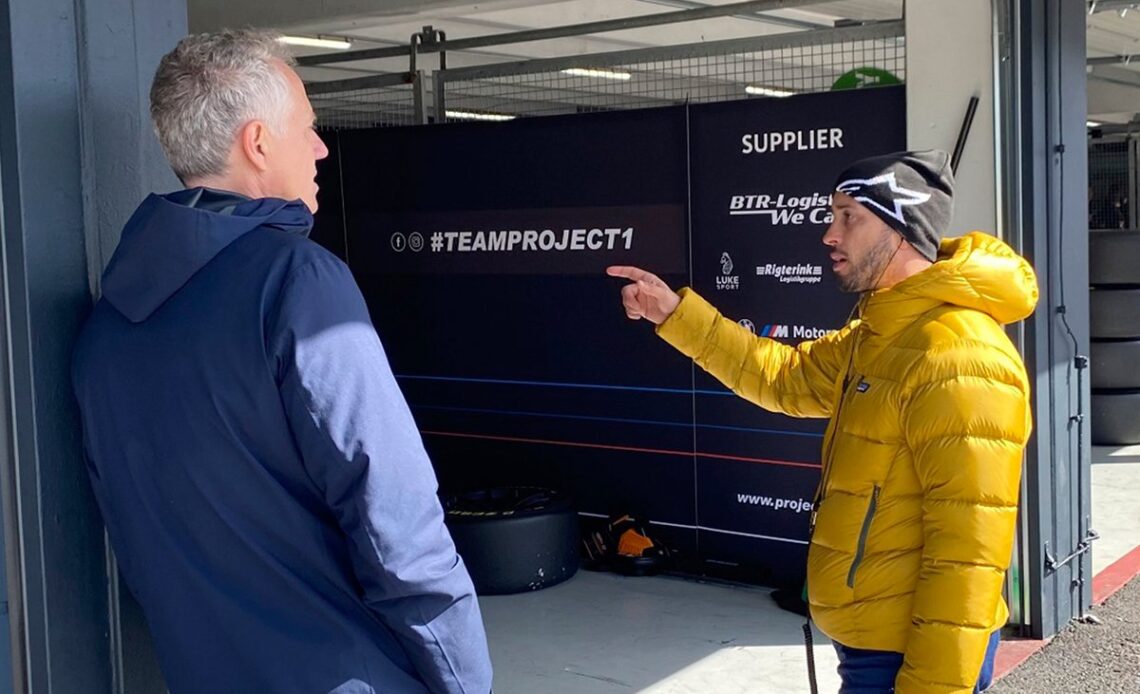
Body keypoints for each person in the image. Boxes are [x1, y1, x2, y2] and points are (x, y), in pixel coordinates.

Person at [72, 30, 492, 694]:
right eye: (309, 127)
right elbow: (396, 520)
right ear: (259, 142)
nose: (322, 147)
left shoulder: (105, 329)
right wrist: (466, 680)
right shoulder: (299, 282)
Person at [608, 150, 1037, 693]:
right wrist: (674, 314)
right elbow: (783, 377)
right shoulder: (880, 333)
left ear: (901, 228)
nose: (829, 234)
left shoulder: (959, 356)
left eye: (848, 216)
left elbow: (968, 558)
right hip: (870, 638)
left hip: (909, 655)